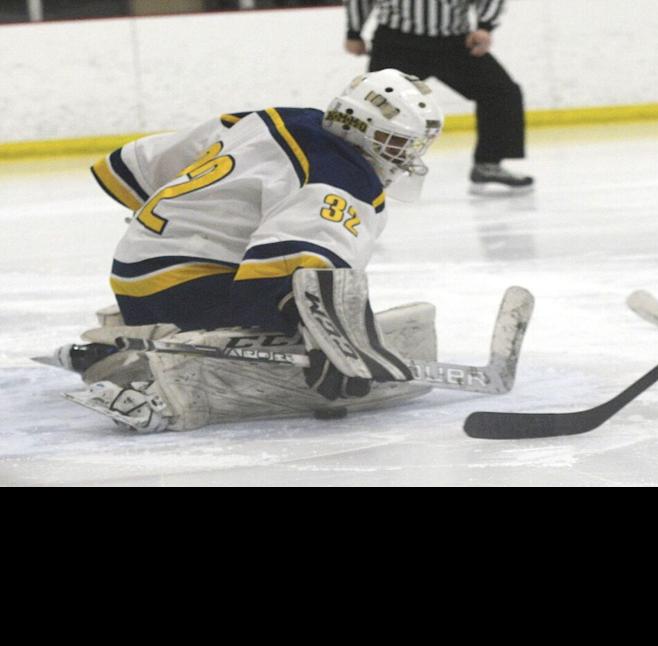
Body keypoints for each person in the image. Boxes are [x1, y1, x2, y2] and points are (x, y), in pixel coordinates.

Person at [56, 69, 447, 432]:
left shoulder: (278, 118)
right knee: (297, 326)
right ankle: (169, 378)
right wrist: (332, 338)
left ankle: (137, 335)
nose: (405, 156)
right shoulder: (343, 175)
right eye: (396, 142)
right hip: (190, 291)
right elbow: (296, 272)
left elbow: (142, 163)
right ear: (358, 125)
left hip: (134, 275)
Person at [345, 0, 534, 191]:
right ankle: (360, 167)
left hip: (454, 42)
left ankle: (488, 164)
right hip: (397, 42)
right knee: (374, 103)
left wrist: (485, 26)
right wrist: (354, 32)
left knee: (501, 92)